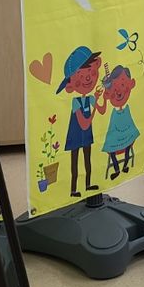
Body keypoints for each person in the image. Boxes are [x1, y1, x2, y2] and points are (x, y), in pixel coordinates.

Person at [57, 45, 105, 197]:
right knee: (75, 162)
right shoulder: (75, 102)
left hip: (87, 134)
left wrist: (102, 98)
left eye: (90, 71)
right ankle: (73, 189)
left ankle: (88, 184)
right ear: (70, 86)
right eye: (80, 75)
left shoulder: (90, 98)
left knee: (87, 159)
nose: (88, 78)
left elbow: (102, 110)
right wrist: (94, 110)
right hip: (76, 135)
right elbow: (84, 123)